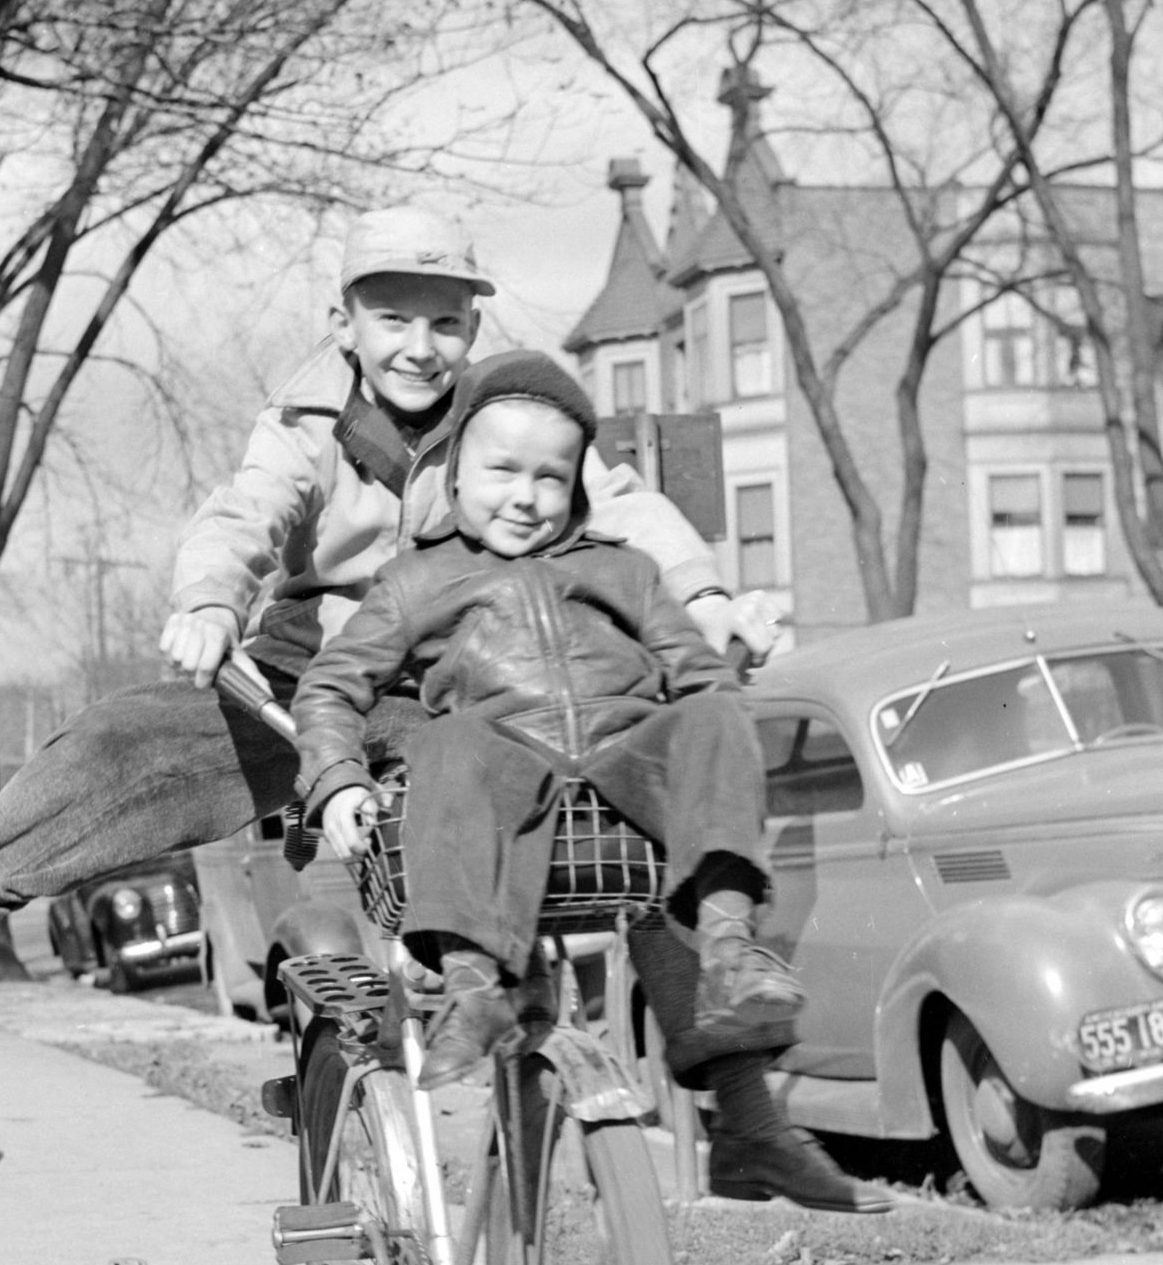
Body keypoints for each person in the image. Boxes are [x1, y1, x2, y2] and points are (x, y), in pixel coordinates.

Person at [0, 208, 881, 1208]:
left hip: (463, 683)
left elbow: (626, 511)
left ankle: (739, 1110)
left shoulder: (508, 422)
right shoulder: (312, 425)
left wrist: (713, 597)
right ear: (347, 323)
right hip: (306, 684)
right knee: (111, 750)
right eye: (393, 318)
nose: (420, 346)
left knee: (628, 789)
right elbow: (246, 511)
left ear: (473, 326)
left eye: (444, 320)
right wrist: (208, 602)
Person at [293, 350, 805, 1089]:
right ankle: (475, 992)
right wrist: (338, 779)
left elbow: (692, 668)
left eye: (551, 478)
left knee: (715, 712)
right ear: (456, 475)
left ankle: (729, 953)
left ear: (576, 488)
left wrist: (728, 651)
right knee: (446, 740)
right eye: (503, 471)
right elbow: (331, 687)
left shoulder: (622, 568)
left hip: (623, 761)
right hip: (509, 768)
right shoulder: (415, 581)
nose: (526, 498)